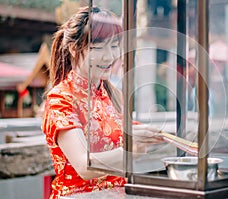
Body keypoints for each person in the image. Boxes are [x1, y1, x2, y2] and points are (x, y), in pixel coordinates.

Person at [42, 6, 163, 199]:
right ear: (74, 48)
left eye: (114, 46)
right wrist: (130, 150)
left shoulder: (110, 93)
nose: (109, 56)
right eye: (97, 48)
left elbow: (121, 136)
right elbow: (84, 166)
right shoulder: (61, 99)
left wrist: (149, 134)